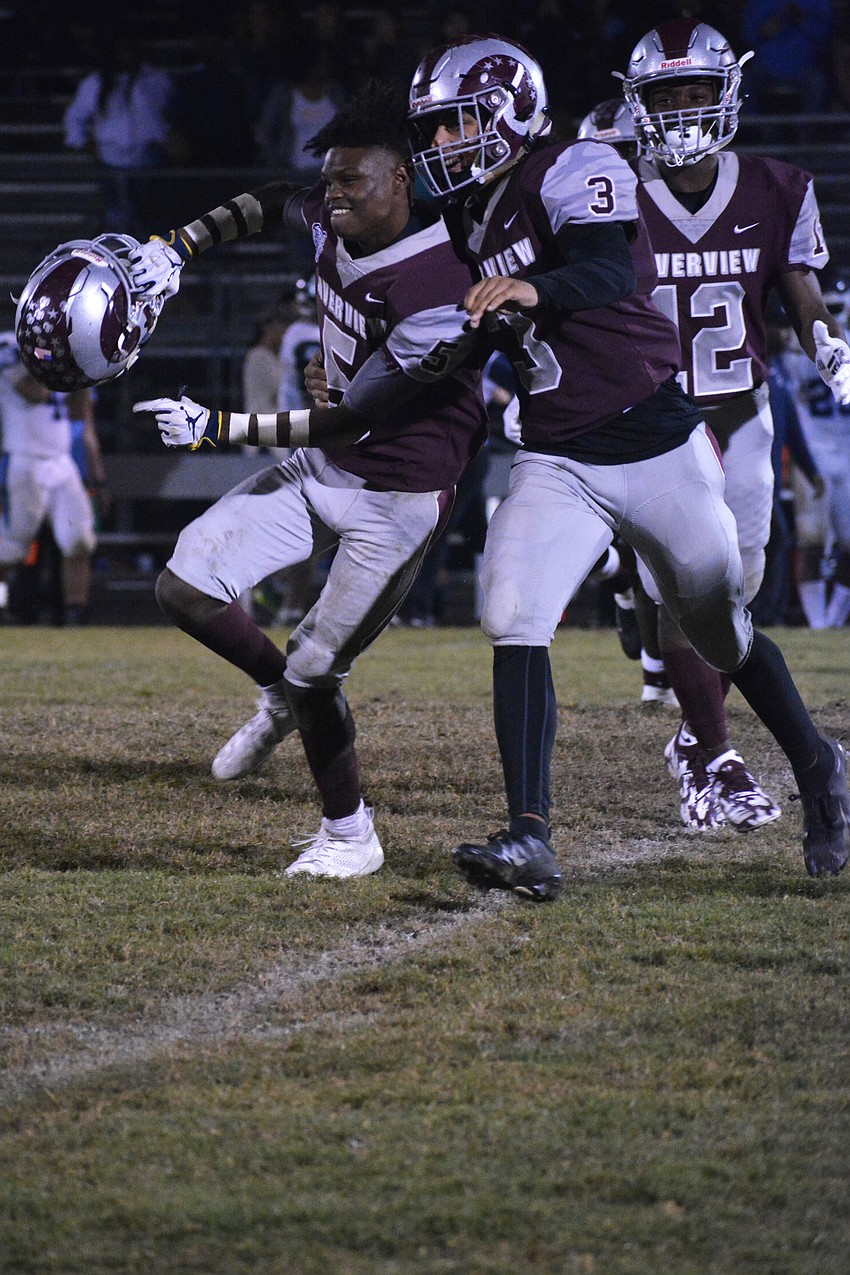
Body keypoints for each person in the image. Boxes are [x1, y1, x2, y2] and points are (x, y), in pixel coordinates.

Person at [405, 32, 850, 899]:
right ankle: (529, 835)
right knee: (513, 611)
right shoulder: (469, 212)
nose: (443, 146)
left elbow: (610, 267)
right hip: (558, 453)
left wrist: (534, 290)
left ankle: (816, 761)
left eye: (458, 127)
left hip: (656, 440)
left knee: (720, 624)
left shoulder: (572, 165)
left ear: (506, 118)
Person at [129, 81, 488, 879]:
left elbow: (346, 417)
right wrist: (179, 243)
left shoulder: (439, 283)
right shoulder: (332, 213)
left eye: (350, 180)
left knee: (318, 665)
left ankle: (351, 834)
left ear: (401, 180)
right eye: (329, 179)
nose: (331, 196)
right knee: (185, 584)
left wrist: (216, 427)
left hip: (397, 491)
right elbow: (270, 201)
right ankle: (278, 696)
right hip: (328, 465)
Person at [614, 18, 849, 830]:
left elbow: (802, 292)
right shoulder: (610, 190)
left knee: (734, 596)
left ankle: (693, 729)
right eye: (665, 98)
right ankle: (713, 752)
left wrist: (830, 349)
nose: (681, 113)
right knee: (689, 584)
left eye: (696, 95)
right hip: (650, 424)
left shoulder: (777, 185)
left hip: (742, 414)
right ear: (637, 106)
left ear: (728, 97)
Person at [0, 333, 105, 626]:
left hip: (61, 461)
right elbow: (34, 393)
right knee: (13, 546)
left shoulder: (63, 351)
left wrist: (85, 374)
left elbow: (75, 414)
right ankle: (0, 601)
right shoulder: (9, 345)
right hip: (23, 459)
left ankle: (76, 614)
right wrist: (67, 364)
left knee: (79, 540)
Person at [782, 274, 850, 628]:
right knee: (810, 541)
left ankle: (831, 624)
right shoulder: (798, 353)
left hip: (848, 455)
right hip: (815, 453)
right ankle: (817, 624)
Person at [62, 33, 174, 233]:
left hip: (149, 160)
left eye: (130, 50)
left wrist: (167, 140)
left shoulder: (155, 79)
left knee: (151, 216)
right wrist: (81, 142)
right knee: (117, 216)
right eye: (120, 51)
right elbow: (75, 117)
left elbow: (171, 114)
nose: (125, 56)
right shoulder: (96, 83)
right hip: (111, 161)